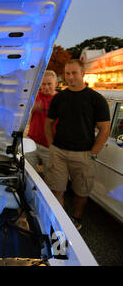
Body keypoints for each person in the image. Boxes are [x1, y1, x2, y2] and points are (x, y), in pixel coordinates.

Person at [44, 59, 110, 230]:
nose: (70, 77)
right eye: (67, 73)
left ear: (83, 74)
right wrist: (52, 145)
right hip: (59, 152)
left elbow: (105, 129)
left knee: (82, 191)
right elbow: (48, 123)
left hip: (84, 154)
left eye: (74, 73)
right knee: (57, 189)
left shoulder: (96, 99)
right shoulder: (59, 98)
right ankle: (58, 222)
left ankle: (76, 219)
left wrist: (93, 153)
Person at [25, 70, 58, 176]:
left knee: (50, 176)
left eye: (49, 84)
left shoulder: (60, 99)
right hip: (32, 141)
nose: (46, 87)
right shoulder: (34, 96)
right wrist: (32, 108)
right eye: (43, 84)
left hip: (49, 145)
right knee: (28, 173)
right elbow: (23, 110)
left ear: (56, 84)